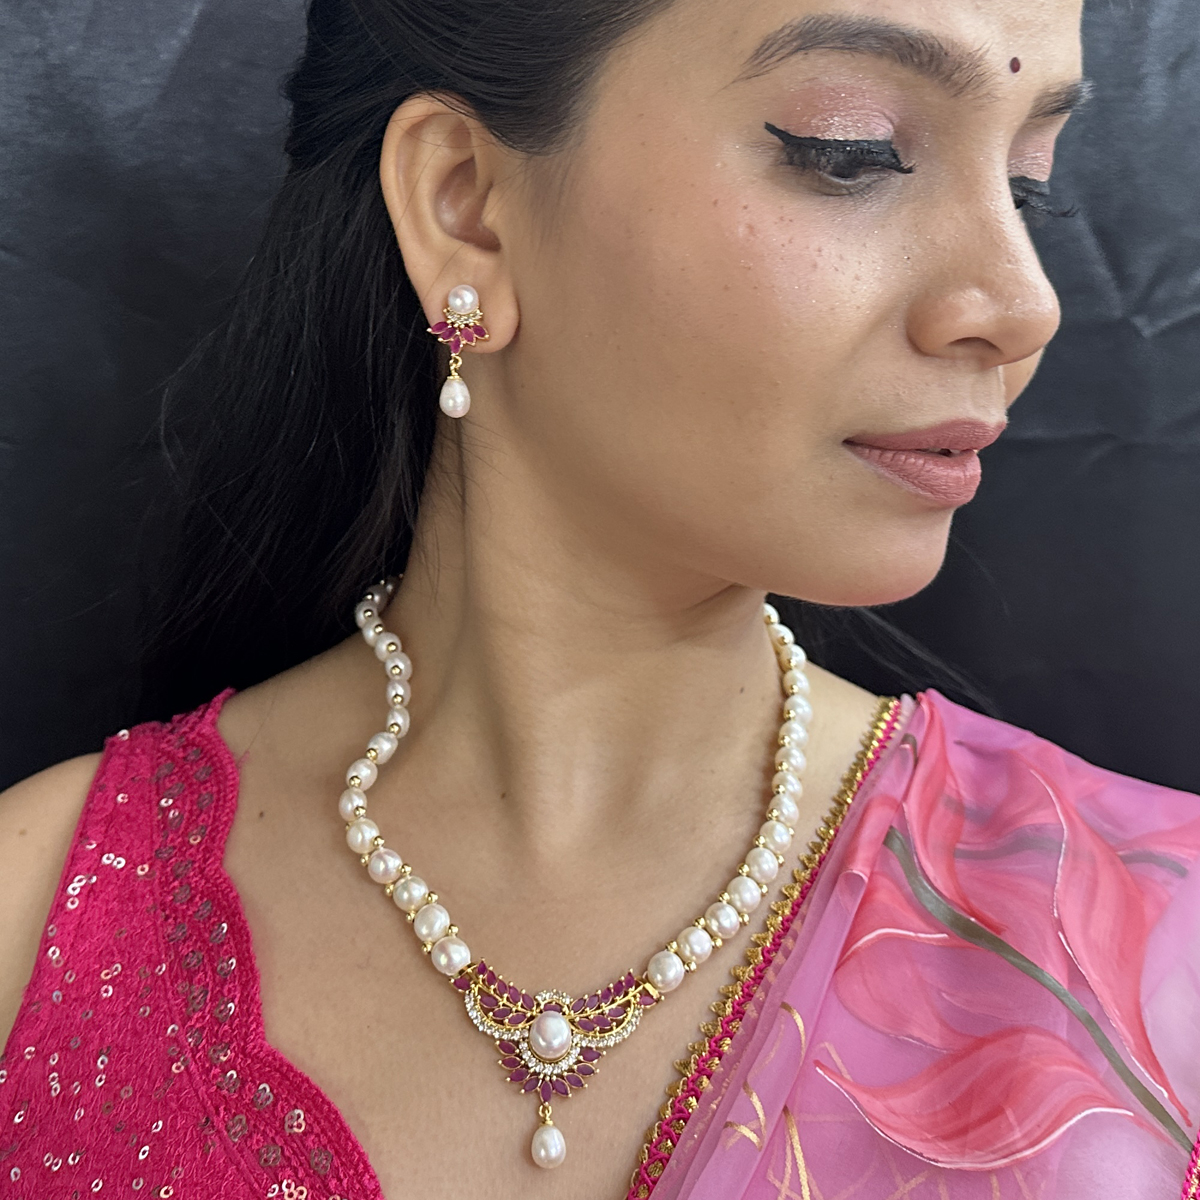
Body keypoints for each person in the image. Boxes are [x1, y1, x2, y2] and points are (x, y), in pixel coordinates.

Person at [2, 0, 1198, 1196]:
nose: (1023, 305)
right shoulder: (38, 923)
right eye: (854, 152)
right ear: (467, 205)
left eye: (1028, 186)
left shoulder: (1153, 952)